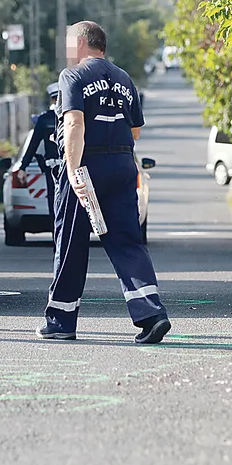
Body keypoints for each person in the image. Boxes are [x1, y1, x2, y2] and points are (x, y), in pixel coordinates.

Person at [40, 20, 171, 344]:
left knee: (71, 242)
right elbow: (135, 130)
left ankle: (61, 320)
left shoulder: (72, 76)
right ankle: (151, 314)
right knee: (127, 241)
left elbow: (73, 123)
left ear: (81, 44)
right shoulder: (125, 79)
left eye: (69, 44)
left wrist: (72, 170)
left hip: (87, 166)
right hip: (123, 165)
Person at [14, 82, 61, 219]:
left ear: (52, 99)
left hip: (52, 168)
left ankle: (58, 237)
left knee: (54, 205)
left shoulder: (44, 119)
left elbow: (33, 145)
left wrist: (23, 167)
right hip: (70, 167)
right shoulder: (73, 116)